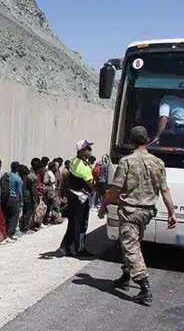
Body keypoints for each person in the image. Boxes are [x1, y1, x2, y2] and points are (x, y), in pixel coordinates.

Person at [99, 126, 177, 305]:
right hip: (147, 212)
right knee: (132, 242)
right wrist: (172, 213)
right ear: (147, 139)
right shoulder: (158, 163)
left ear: (132, 141)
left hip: (130, 212)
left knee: (130, 247)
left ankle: (144, 287)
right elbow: (164, 190)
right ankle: (125, 277)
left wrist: (104, 205)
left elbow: (115, 189)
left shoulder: (126, 162)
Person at [59, 140, 99, 257]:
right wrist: (101, 191)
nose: (90, 151)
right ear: (81, 151)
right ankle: (79, 248)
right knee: (81, 224)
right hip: (80, 197)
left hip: (74, 195)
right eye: (88, 148)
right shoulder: (83, 166)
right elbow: (91, 184)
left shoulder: (74, 161)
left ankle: (66, 246)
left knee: (73, 223)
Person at [3, 161, 23, 240]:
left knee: (7, 216)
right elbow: (20, 192)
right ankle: (9, 234)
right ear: (17, 168)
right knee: (14, 217)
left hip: (6, 198)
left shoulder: (6, 175)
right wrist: (21, 202)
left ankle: (6, 233)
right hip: (14, 198)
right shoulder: (17, 178)